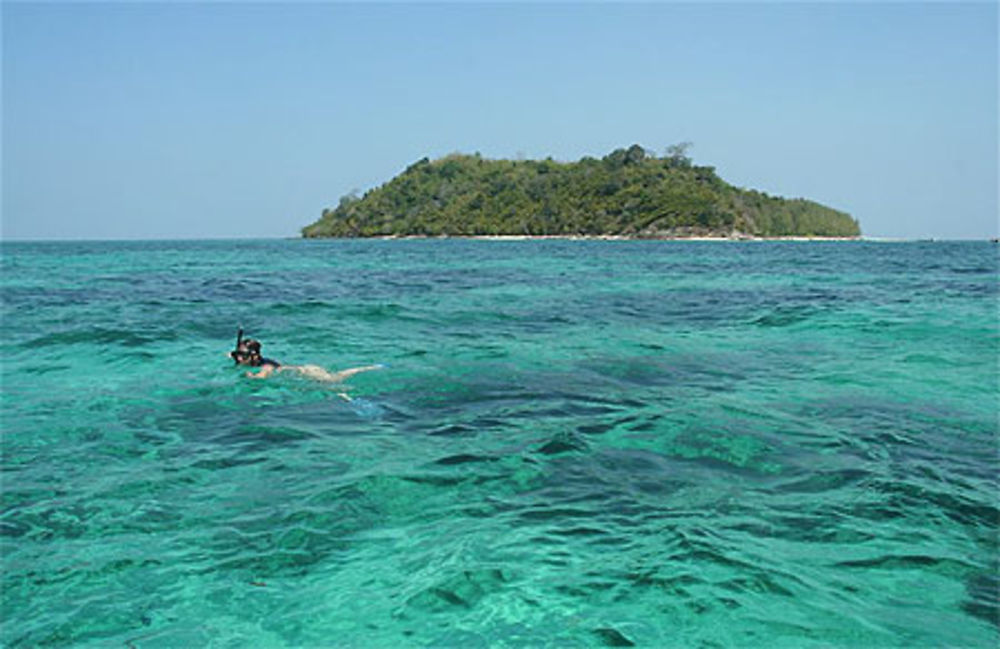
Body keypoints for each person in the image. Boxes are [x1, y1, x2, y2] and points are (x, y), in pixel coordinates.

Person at [230, 337, 382, 382]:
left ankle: (369, 368)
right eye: (238, 355)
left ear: (255, 356)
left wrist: (252, 377)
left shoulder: (266, 367)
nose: (239, 359)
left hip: (309, 372)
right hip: (303, 369)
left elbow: (261, 377)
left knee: (336, 381)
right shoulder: (251, 359)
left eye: (243, 356)